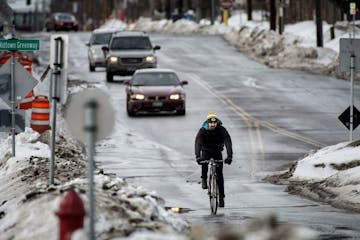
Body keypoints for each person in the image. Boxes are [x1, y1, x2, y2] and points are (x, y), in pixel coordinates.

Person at [194, 112, 233, 208]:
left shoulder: (221, 129)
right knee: (204, 162)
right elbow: (198, 143)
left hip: (217, 151)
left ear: (217, 123)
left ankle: (221, 198)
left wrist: (229, 156)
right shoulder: (203, 130)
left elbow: (228, 142)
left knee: (219, 175)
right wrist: (197, 156)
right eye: (211, 123)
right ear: (208, 123)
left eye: (214, 123)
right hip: (206, 150)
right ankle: (204, 178)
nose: (213, 125)